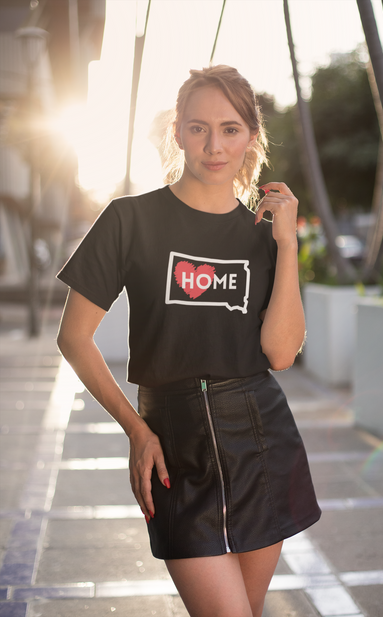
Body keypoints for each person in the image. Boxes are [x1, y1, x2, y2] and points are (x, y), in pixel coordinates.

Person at [57, 65, 321, 617]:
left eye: (230, 129)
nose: (214, 145)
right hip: (174, 443)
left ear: (251, 137)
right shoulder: (131, 220)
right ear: (177, 131)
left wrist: (287, 245)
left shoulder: (261, 238)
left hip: (260, 439)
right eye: (198, 127)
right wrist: (136, 429)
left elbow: (279, 353)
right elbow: (74, 337)